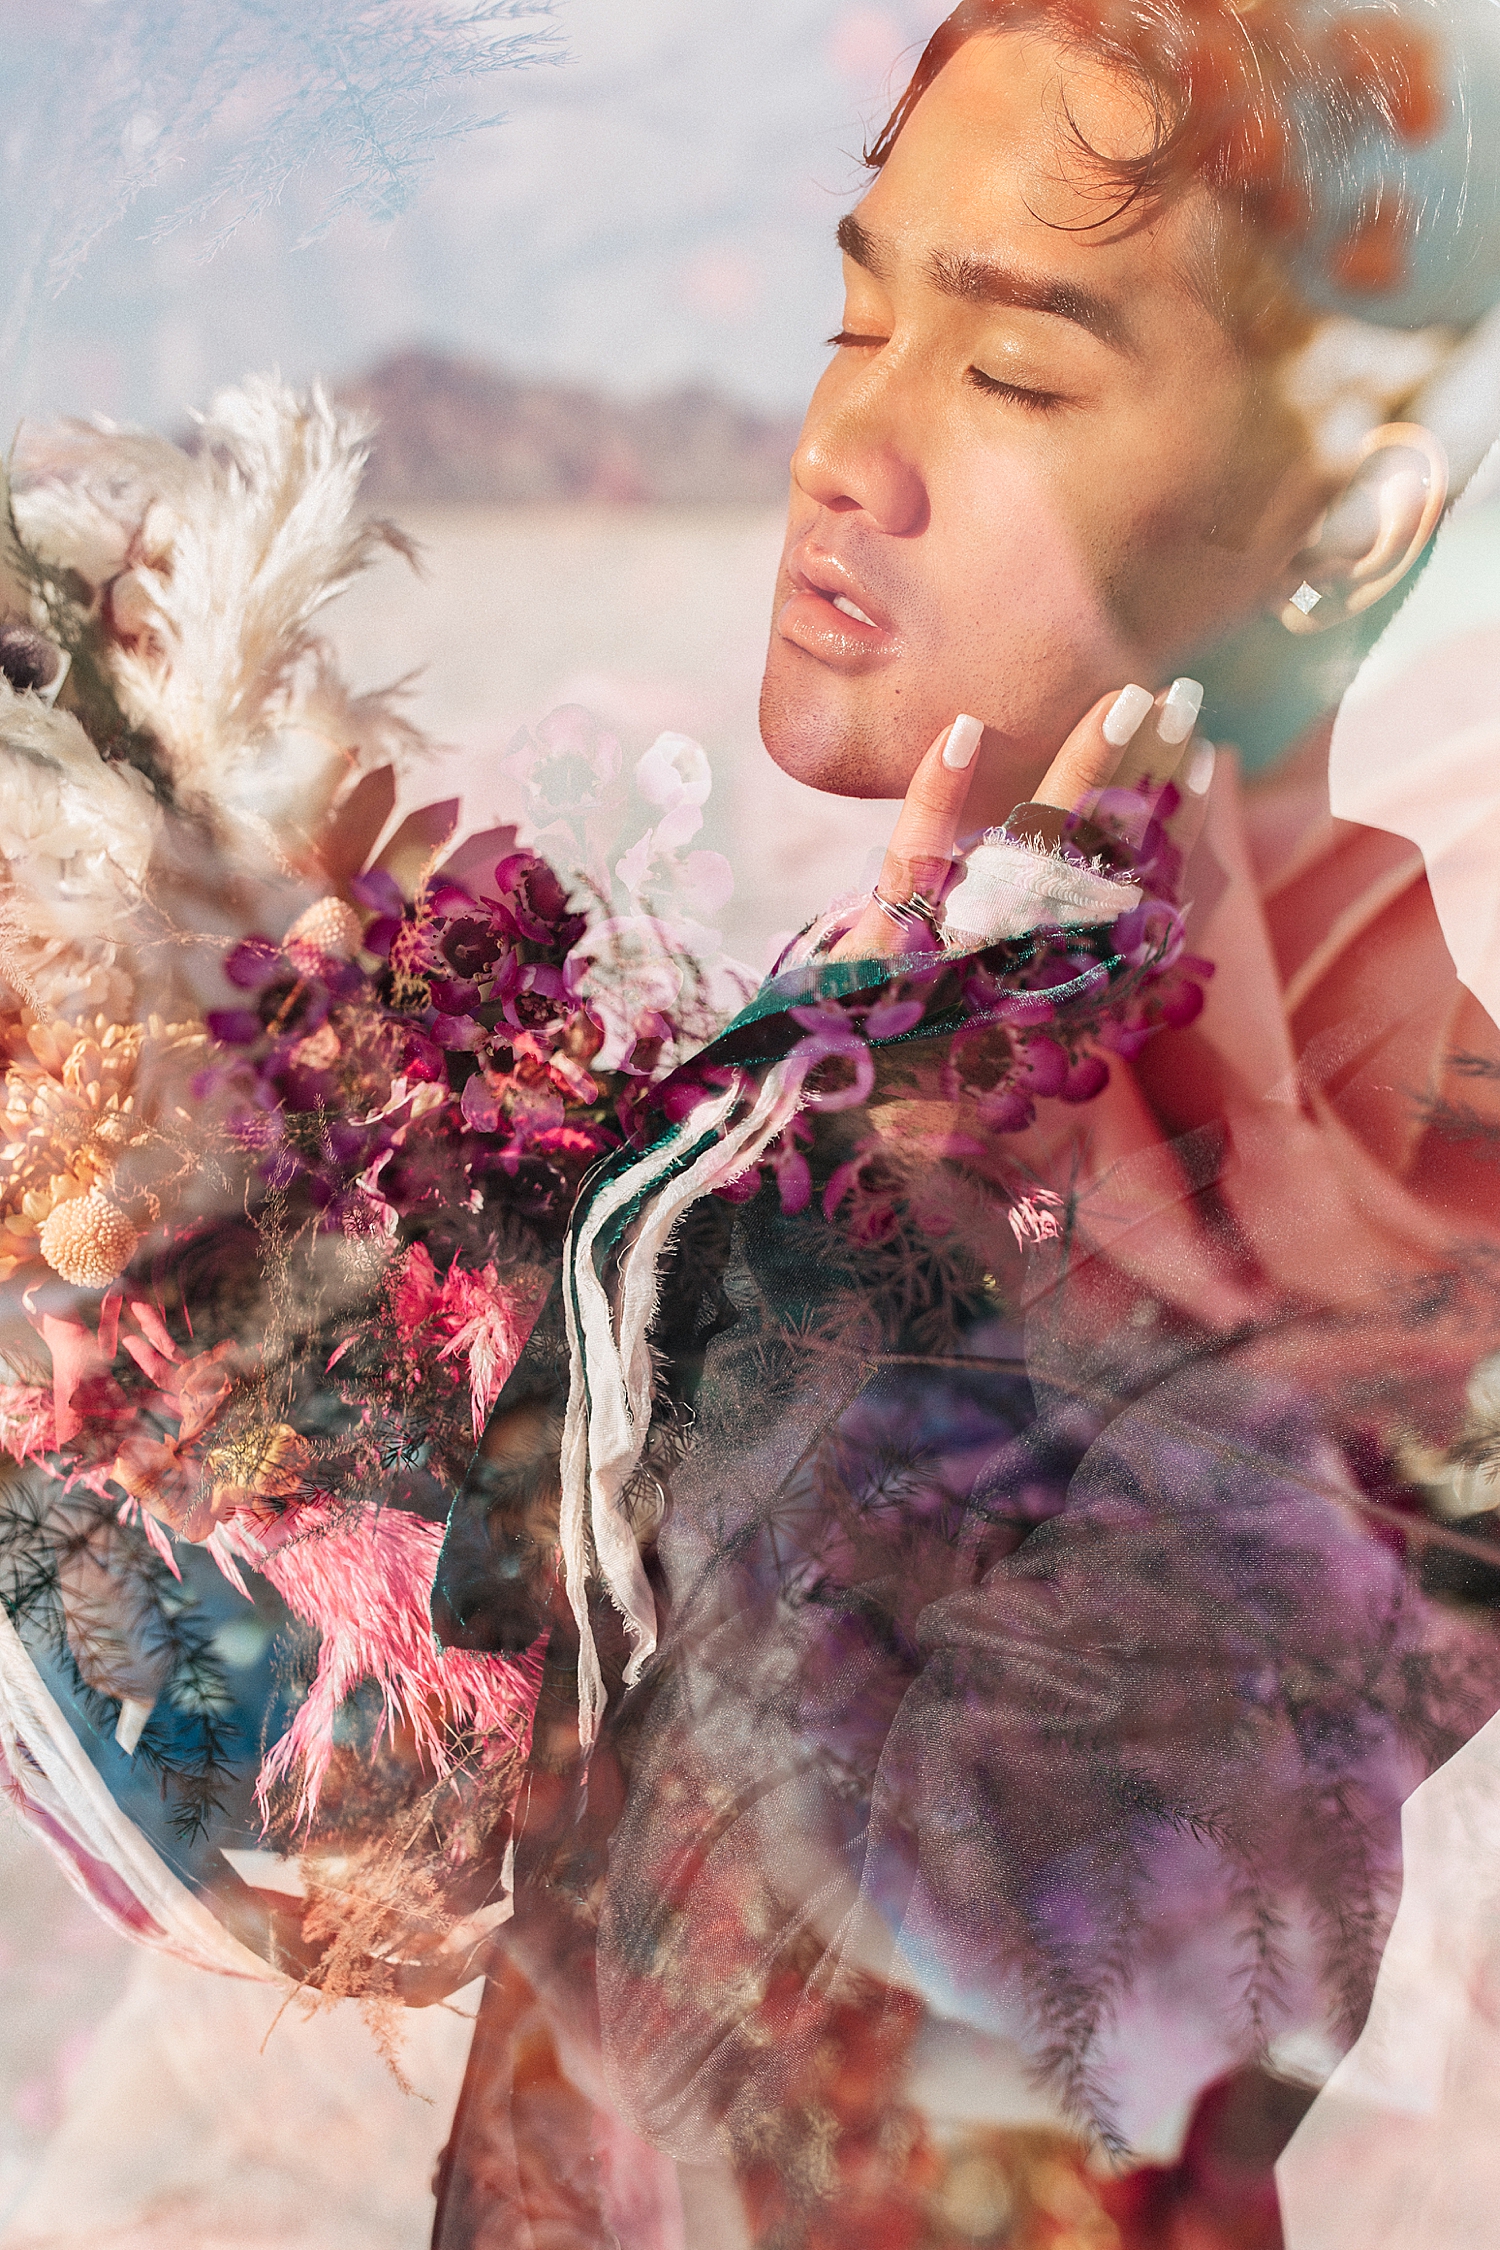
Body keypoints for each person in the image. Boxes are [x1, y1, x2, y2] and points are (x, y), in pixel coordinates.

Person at [427, 3, 1500, 2247]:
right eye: (856, 308)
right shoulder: (941, 1017)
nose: (845, 446)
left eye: (1015, 372)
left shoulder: (1402, 1211)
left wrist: (809, 1285)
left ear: (1352, 510)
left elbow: (1001, 2076)